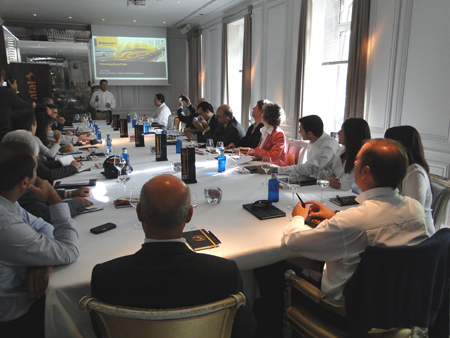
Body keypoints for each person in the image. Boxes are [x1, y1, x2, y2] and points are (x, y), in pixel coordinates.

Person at [254, 139, 429, 337]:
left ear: (365, 171)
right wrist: (335, 217)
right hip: (398, 306)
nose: (353, 163)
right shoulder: (415, 209)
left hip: (346, 314)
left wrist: (298, 217)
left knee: (269, 268)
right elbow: (373, 227)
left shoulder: (352, 221)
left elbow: (293, 242)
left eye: (357, 160)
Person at [91, 174, 255, 338]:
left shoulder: (105, 276)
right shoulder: (225, 273)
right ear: (189, 215)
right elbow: (244, 331)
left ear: (139, 212)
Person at [0, 141, 79, 338]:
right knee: (80, 308)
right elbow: (69, 251)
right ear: (25, 183)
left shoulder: (8, 202)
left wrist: (39, 258)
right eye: (36, 170)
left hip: (19, 301)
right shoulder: (5, 223)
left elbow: (45, 227)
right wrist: (53, 198)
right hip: (15, 318)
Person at [384, 125, 434, 235]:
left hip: (419, 236)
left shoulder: (415, 174)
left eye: (387, 143)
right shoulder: (399, 169)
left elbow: (412, 215)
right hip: (401, 229)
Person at [329, 118, 371, 193]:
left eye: (342, 130)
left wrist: (331, 181)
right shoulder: (341, 151)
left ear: (350, 134)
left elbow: (345, 187)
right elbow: (332, 174)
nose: (338, 133)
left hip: (355, 198)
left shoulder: (361, 157)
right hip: (337, 193)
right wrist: (330, 178)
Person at [0, 67, 33, 140]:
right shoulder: (6, 94)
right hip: (4, 136)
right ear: (1, 78)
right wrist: (16, 91)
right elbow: (28, 106)